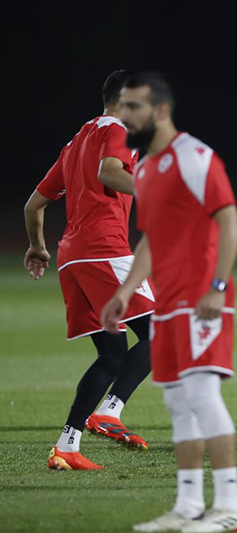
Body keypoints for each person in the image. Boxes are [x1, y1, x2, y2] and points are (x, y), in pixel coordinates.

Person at [101, 72, 237, 532]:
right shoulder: (145, 168)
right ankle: (188, 505)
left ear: (160, 110)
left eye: (134, 107)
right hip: (166, 303)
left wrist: (218, 287)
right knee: (178, 403)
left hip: (202, 298)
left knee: (202, 394)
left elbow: (231, 223)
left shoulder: (194, 156)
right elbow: (151, 239)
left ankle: (231, 507)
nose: (125, 116)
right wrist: (125, 291)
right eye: (123, 107)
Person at [23, 70, 156, 471]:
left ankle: (67, 446)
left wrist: (37, 246)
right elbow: (109, 171)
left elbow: (34, 205)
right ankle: (110, 411)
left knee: (111, 356)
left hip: (72, 258)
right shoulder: (117, 130)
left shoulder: (75, 141)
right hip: (103, 252)